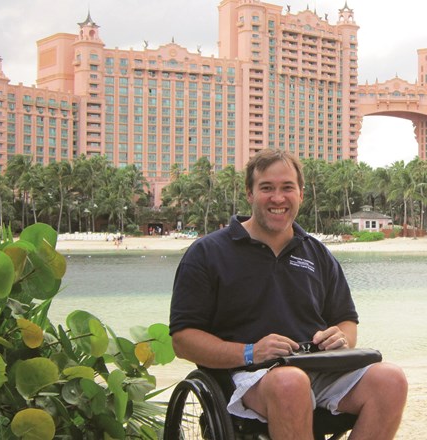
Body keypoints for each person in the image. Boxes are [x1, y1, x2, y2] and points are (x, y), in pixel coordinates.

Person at [170, 149, 407, 440]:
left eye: (287, 188)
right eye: (267, 188)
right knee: (290, 384)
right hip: (244, 375)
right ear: (249, 193)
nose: (278, 198)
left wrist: (341, 338)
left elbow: (346, 321)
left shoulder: (317, 253)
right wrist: (249, 351)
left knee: (391, 380)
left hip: (317, 367)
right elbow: (183, 340)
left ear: (301, 194)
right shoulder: (208, 253)